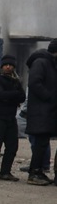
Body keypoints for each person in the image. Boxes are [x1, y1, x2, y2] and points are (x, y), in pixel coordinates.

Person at [24, 39, 57, 186]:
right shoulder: (41, 62)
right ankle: (34, 172)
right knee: (39, 143)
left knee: (42, 143)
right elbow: (34, 83)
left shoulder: (51, 64)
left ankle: (39, 171)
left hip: (46, 112)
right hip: (40, 111)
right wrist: (49, 97)